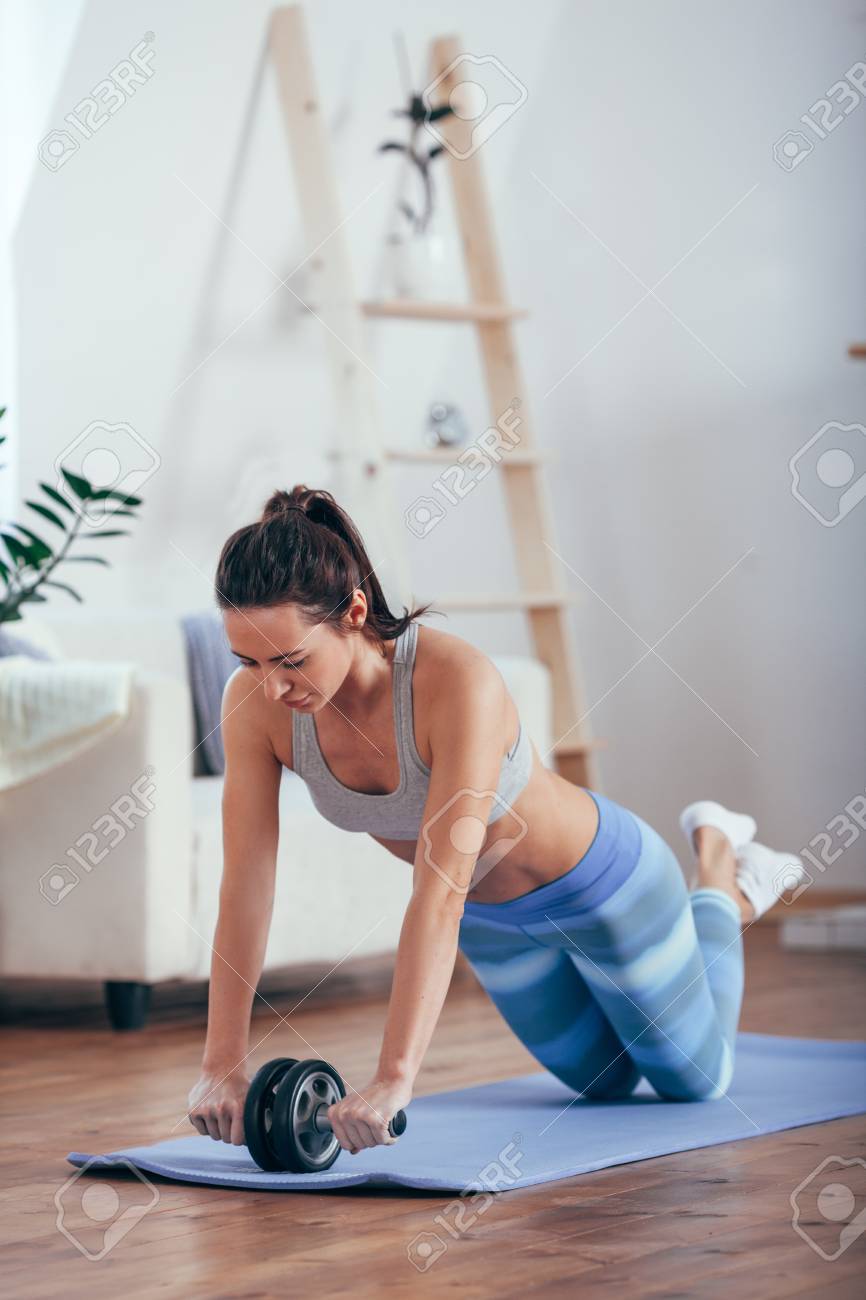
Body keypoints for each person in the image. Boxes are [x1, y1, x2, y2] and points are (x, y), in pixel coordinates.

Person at [187, 485, 804, 1155]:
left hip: (602, 887)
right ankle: (710, 890)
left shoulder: (455, 681)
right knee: (605, 1084)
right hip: (497, 925)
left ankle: (721, 867)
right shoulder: (254, 702)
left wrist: (395, 1078)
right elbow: (246, 882)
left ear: (354, 612)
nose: (270, 685)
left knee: (694, 1081)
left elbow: (440, 889)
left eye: (291, 660)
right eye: (247, 660)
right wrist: (221, 1062)